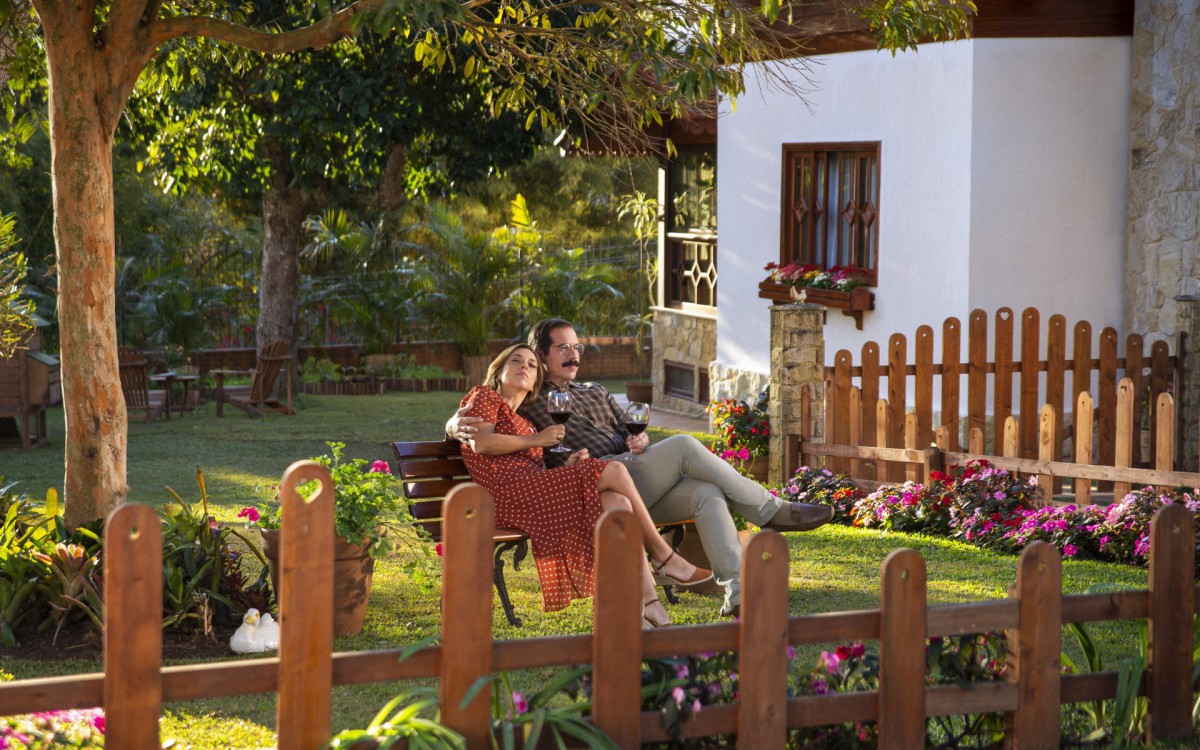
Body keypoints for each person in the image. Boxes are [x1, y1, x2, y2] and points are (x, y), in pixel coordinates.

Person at [448, 318, 833, 619]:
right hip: (600, 481)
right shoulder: (532, 399)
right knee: (683, 445)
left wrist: (641, 442)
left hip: (636, 477)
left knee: (706, 495)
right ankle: (769, 510)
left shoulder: (596, 391)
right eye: (562, 347)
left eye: (577, 347)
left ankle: (737, 593)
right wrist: (453, 425)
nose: (573, 354)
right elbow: (477, 418)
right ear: (542, 355)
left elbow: (634, 431)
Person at [458, 342, 714, 628]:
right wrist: (537, 441)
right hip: (503, 497)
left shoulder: (526, 422)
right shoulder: (484, 397)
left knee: (619, 504)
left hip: (530, 493)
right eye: (516, 361)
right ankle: (663, 554)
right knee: (614, 469)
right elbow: (480, 442)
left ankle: (651, 607)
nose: (524, 367)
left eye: (531, 365)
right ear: (500, 370)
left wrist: (567, 468)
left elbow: (534, 468)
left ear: (534, 385)